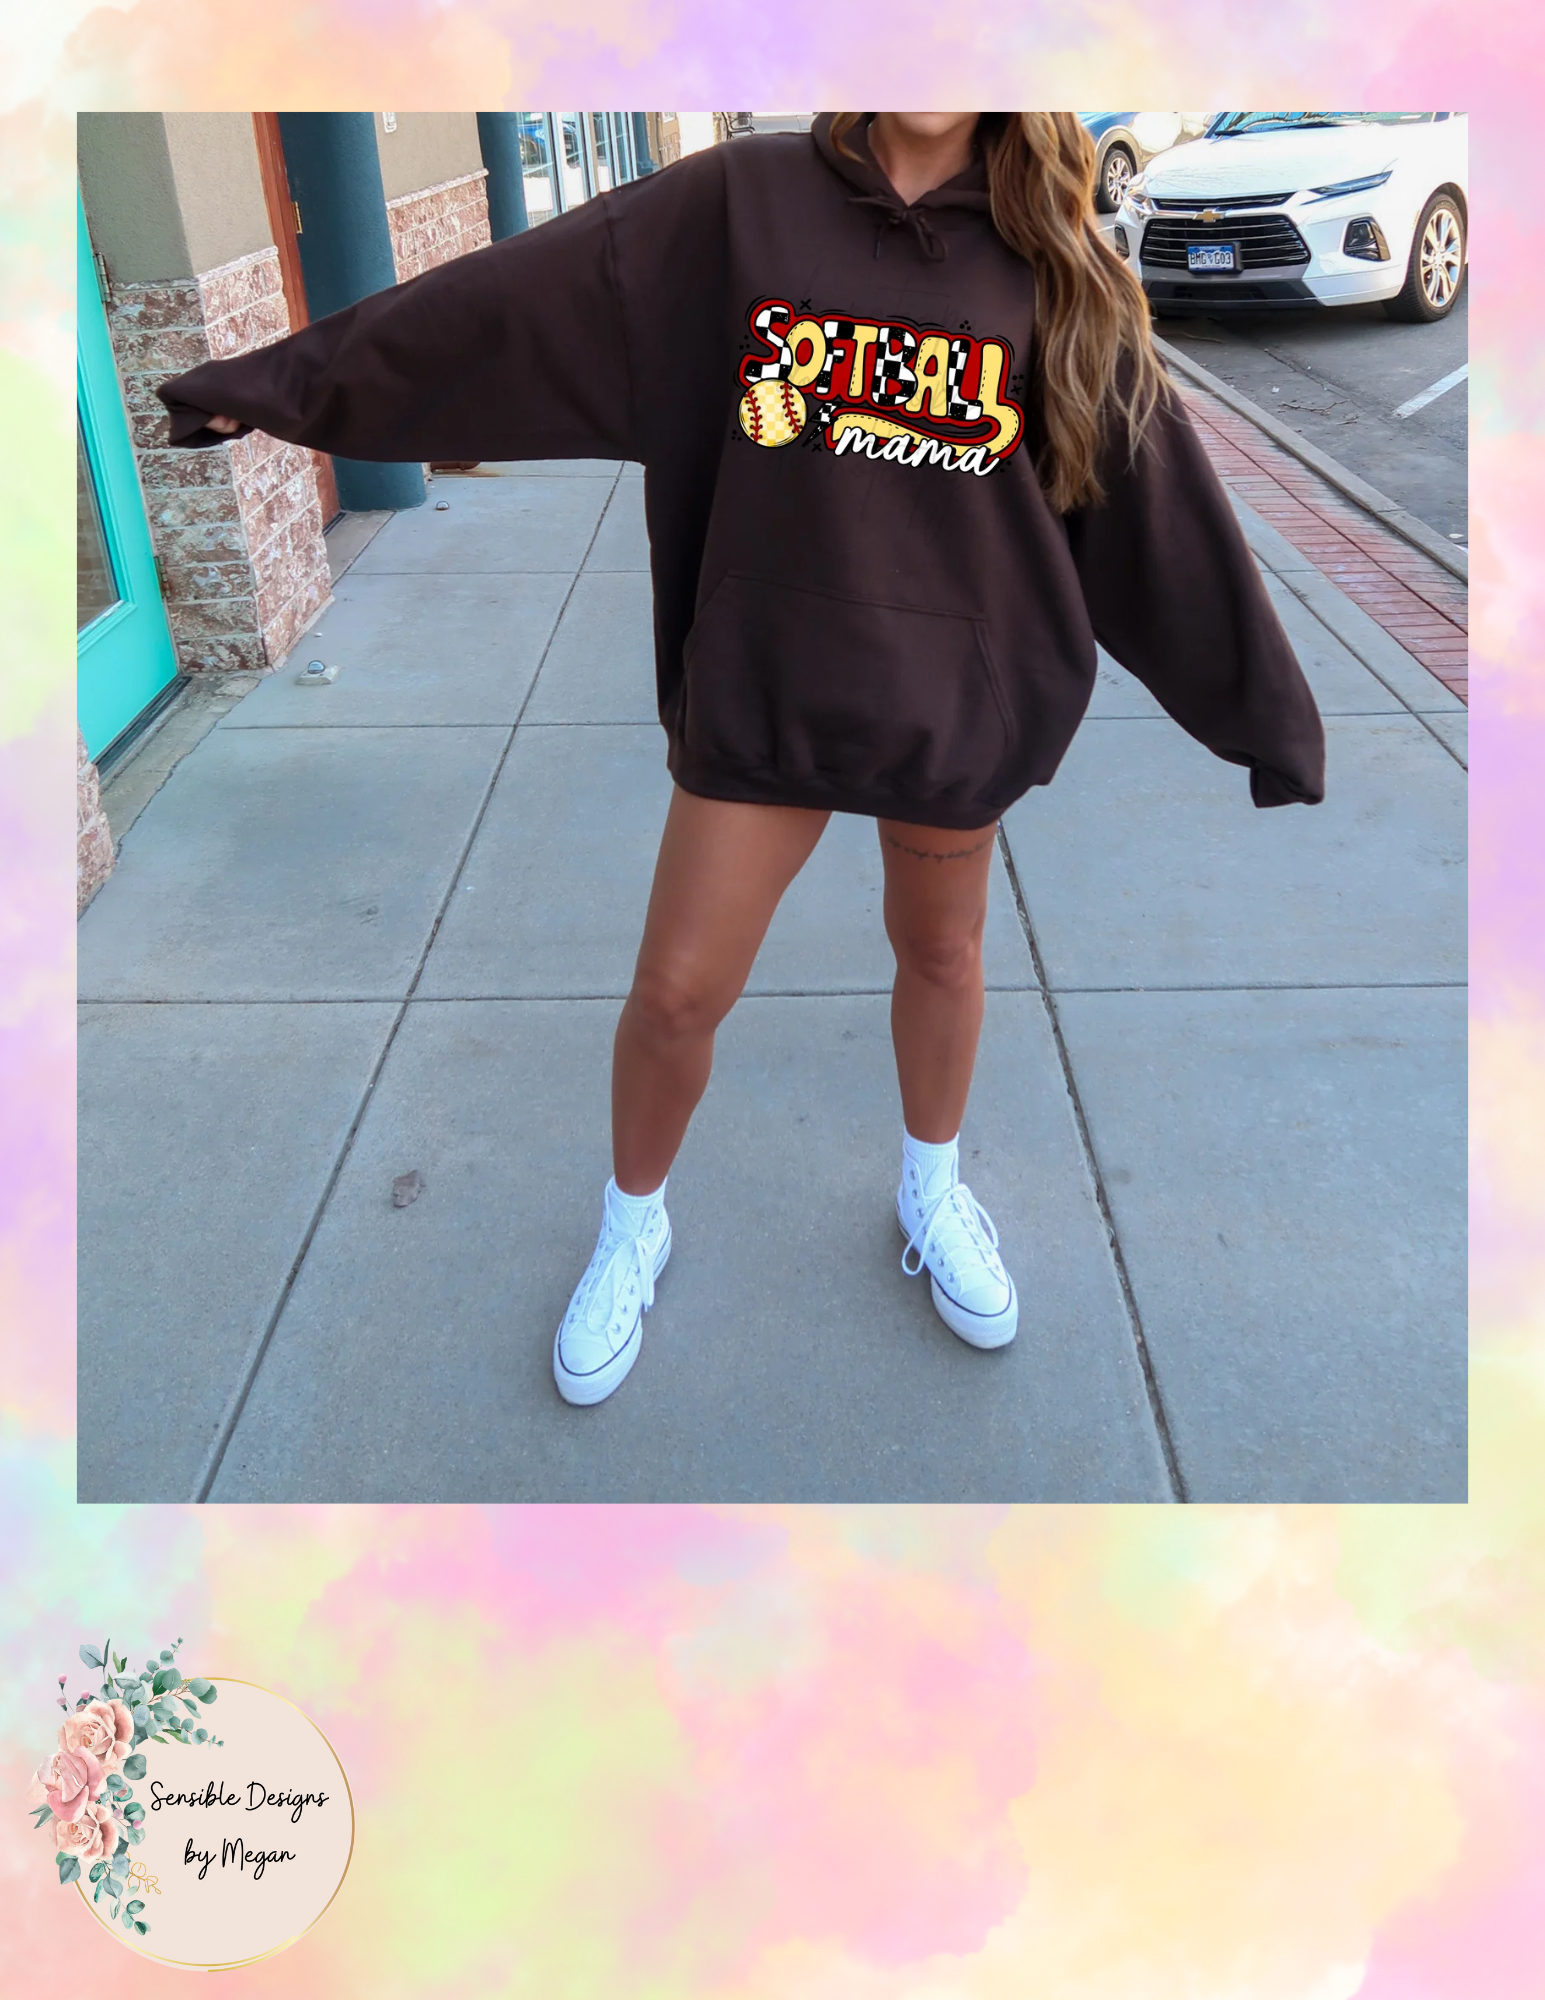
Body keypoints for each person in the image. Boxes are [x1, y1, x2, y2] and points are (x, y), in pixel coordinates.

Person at [157, 112, 1325, 1408]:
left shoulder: (1051, 248)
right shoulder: (742, 204)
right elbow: (509, 311)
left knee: (942, 954)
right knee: (674, 993)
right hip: (773, 680)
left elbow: (1155, 503)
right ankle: (633, 1223)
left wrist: (1265, 715)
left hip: (952, 706)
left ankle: (932, 1187)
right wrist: (284, 385)